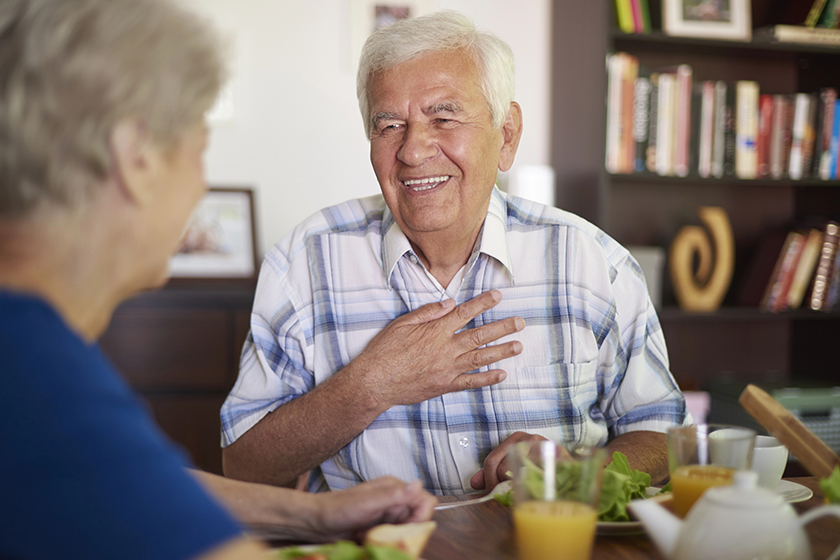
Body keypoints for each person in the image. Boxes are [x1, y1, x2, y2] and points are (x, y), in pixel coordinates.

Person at [0, 1, 437, 559]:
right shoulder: (35, 377)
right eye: (199, 151)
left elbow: (142, 483)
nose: (200, 187)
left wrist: (313, 513)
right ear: (136, 158)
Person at [221, 10, 687, 496]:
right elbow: (244, 466)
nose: (413, 150)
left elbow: (667, 435)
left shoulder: (592, 263)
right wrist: (370, 385)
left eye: (443, 118)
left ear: (506, 136)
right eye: (389, 127)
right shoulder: (302, 264)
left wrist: (576, 471)